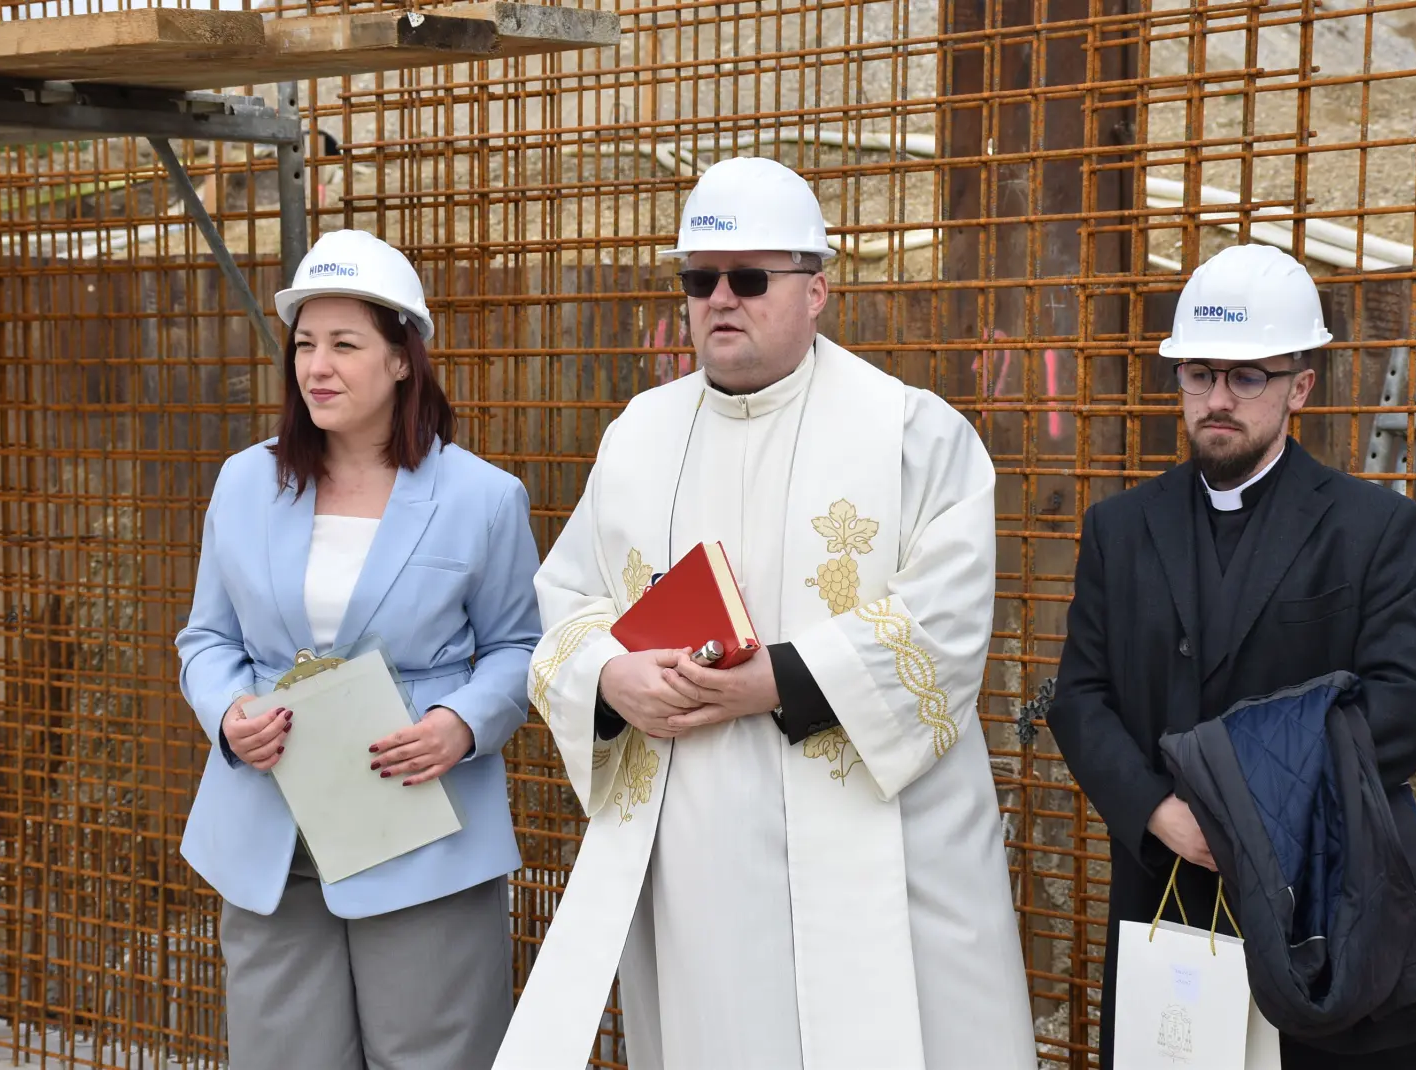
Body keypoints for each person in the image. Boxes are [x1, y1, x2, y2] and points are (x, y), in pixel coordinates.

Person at [495, 156, 1038, 1070]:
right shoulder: (637, 437)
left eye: (749, 278)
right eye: (699, 280)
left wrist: (777, 680)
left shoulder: (912, 433)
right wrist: (611, 677)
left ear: (817, 289)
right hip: (701, 856)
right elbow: (569, 605)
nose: (720, 299)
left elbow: (945, 626)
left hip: (879, 846)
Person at [1045, 243, 1416, 1069]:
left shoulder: (1370, 529)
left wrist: (1247, 810)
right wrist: (1158, 811)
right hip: (1167, 893)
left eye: (1247, 377)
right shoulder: (1119, 528)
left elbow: (1407, 706)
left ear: (1300, 386)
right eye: (1199, 374)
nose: (1218, 399)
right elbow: (1080, 696)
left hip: (1320, 906)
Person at [174, 229, 542, 1069]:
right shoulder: (244, 482)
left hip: (417, 823)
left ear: (403, 359)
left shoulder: (483, 498)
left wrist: (459, 724)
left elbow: (520, 646)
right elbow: (207, 638)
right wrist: (229, 713)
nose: (317, 366)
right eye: (305, 344)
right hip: (270, 828)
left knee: (434, 1054)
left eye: (344, 344)